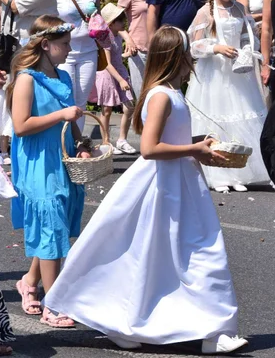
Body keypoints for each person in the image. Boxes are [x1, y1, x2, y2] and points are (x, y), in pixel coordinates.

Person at [44, 25, 247, 354]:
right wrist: (194, 150)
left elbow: (171, 140)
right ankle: (133, 320)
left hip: (179, 182)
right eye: (187, 54)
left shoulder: (171, 91)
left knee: (188, 254)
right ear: (177, 57)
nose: (192, 60)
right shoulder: (161, 95)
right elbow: (150, 148)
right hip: (162, 185)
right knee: (169, 252)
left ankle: (212, 328)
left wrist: (197, 143)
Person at [5, 16, 86, 330]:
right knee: (50, 225)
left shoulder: (62, 76)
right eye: (64, 44)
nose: (68, 49)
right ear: (44, 44)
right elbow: (22, 126)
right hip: (39, 162)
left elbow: (71, 118)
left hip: (61, 158)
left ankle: (29, 281)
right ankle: (54, 302)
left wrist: (81, 141)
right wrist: (61, 114)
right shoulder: (27, 79)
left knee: (58, 223)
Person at [185, 0, 271, 191]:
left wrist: (245, 50)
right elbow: (194, 45)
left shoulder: (240, 9)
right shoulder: (206, 11)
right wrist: (216, 48)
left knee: (243, 116)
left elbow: (246, 36)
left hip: (237, 72)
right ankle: (220, 174)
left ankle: (240, 171)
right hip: (214, 73)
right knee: (217, 118)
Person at [53, 0, 103, 118]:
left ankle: (77, 142)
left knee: (81, 102)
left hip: (88, 50)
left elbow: (98, 14)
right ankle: (64, 142)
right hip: (64, 52)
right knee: (67, 99)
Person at [90, 3, 134, 152]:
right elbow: (107, 63)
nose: (123, 23)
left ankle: (122, 139)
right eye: (120, 20)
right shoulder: (105, 37)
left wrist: (128, 49)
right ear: (112, 23)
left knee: (129, 105)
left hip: (119, 70)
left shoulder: (118, 33)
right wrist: (121, 80)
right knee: (107, 109)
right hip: (107, 73)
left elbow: (118, 52)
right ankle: (106, 141)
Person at [117, 0, 153, 113]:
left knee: (158, 94)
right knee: (142, 96)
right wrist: (128, 39)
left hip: (158, 49)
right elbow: (114, 20)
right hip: (138, 50)